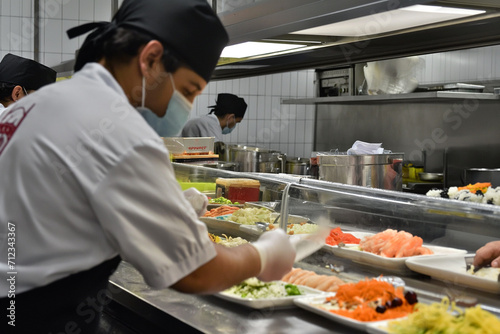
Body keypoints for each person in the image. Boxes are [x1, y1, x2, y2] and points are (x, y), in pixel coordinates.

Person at [0, 1, 295, 333]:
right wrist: (263, 255)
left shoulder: (32, 107)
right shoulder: (118, 128)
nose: (185, 108)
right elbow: (195, 270)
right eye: (187, 90)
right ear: (151, 59)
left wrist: (161, 209)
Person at [181, 93, 247, 141]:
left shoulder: (207, 121)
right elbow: (217, 154)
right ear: (230, 117)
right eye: (237, 122)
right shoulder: (211, 125)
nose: (234, 125)